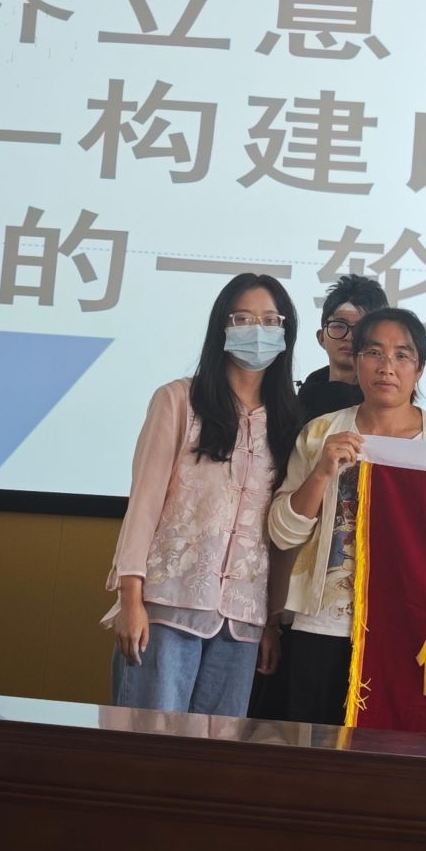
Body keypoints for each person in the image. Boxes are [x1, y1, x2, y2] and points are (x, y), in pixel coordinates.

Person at [105, 273, 302, 716]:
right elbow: (144, 506)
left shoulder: (288, 420)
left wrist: (271, 622)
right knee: (150, 741)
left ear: (285, 332)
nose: (257, 331)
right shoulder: (178, 400)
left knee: (216, 748)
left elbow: (278, 534)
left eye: (270, 321)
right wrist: (130, 599)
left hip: (242, 621)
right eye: (243, 319)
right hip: (167, 608)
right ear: (222, 327)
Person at [269, 308, 426, 723]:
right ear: (356, 361)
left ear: (420, 369)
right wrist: (322, 472)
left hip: (409, 628)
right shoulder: (320, 433)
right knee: (310, 745)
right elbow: (283, 533)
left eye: (402, 355)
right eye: (374, 353)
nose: (386, 367)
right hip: (322, 626)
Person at [298, 272, 385, 422]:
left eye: (361, 328)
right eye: (339, 326)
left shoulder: (387, 406)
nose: (349, 336)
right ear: (321, 337)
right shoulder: (296, 406)